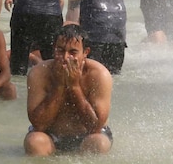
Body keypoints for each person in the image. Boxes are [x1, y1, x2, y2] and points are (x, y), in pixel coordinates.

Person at [24, 24, 113, 156]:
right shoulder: (39, 73)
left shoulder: (99, 74)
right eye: (60, 50)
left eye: (73, 52)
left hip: (89, 135)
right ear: (54, 49)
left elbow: (95, 127)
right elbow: (39, 124)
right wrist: (59, 86)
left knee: (98, 143)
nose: (65, 57)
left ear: (85, 53)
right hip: (51, 135)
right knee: (34, 142)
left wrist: (74, 86)